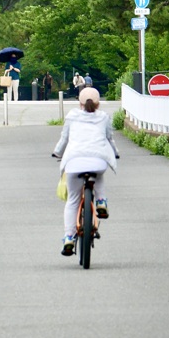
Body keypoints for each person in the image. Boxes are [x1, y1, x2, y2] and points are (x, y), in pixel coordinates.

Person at [51, 86, 119, 256]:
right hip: (97, 160)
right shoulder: (104, 117)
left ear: (79, 103)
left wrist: (57, 152)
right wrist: (116, 154)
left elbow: (64, 139)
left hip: (74, 162)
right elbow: (110, 139)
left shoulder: (72, 116)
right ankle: (101, 201)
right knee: (98, 175)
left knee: (73, 200)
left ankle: (68, 237)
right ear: (98, 104)